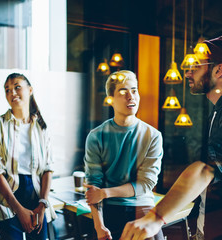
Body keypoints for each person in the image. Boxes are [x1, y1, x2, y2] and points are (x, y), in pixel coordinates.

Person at [121, 36, 222, 240]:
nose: (187, 73)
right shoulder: (215, 112)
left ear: (218, 70)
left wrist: (156, 217)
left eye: (195, 66)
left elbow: (208, 168)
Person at [83, 70, 164, 240]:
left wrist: (106, 192)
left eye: (134, 90)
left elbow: (146, 183)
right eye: (123, 91)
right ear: (111, 99)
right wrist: (99, 226)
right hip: (110, 208)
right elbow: (93, 187)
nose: (131, 96)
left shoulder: (153, 135)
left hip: (141, 204)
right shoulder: (96, 136)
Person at [0, 73, 56, 240]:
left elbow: (48, 169)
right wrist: (19, 209)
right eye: (7, 90)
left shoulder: (41, 127)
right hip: (7, 199)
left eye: (17, 87)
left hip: (37, 196)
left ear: (30, 90)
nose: (12, 92)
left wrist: (42, 204)